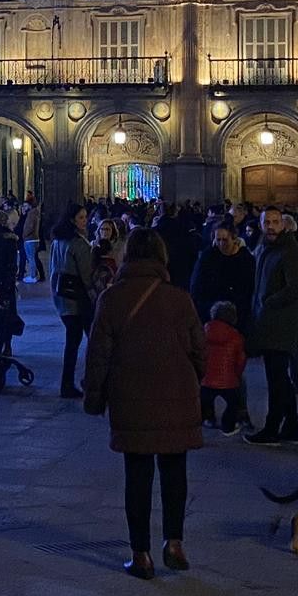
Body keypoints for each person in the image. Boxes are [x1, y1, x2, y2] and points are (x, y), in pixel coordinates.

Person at [83, 228, 206, 576]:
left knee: (137, 477)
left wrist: (94, 397)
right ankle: (175, 542)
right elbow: (200, 348)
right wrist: (193, 378)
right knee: (174, 471)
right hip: (176, 395)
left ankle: (141, 555)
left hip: (131, 395)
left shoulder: (112, 299)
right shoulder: (179, 298)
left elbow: (97, 356)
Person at [243, 209, 298, 446]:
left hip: (280, 324)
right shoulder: (265, 248)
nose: (271, 227)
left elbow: (296, 287)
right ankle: (291, 427)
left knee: (277, 379)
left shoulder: (290, 251)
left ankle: (272, 428)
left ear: (283, 224)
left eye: (275, 222)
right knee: (280, 378)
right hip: (267, 323)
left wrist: (269, 301)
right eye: (266, 223)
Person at [49, 211, 98, 401]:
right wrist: (94, 294)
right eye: (80, 218)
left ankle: (67, 383)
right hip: (79, 299)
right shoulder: (79, 244)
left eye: (85, 217)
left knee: (72, 343)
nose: (84, 221)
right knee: (93, 340)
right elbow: (87, 275)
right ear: (72, 220)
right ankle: (88, 382)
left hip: (63, 297)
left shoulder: (57, 242)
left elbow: (53, 270)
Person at [199, 298, 248, 435]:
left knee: (205, 401)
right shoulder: (236, 336)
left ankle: (208, 419)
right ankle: (228, 425)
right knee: (233, 403)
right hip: (229, 381)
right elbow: (241, 359)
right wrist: (236, 375)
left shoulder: (203, 332)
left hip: (206, 380)